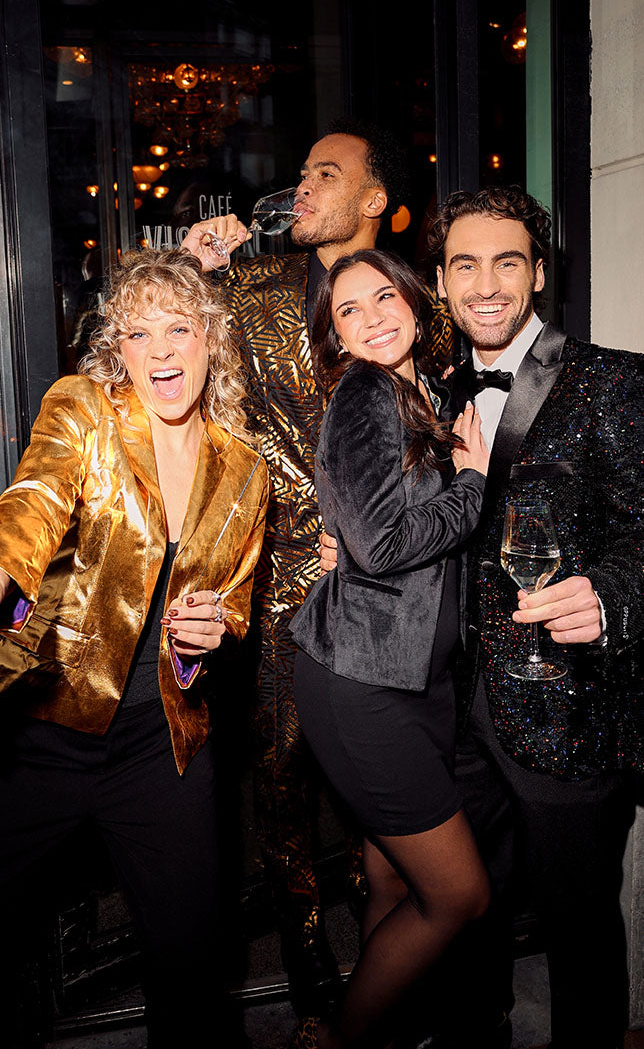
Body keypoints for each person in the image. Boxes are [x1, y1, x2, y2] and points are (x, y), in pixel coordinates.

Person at [318, 187, 644, 1047]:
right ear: (439, 281)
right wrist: (341, 539)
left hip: (568, 712)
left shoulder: (614, 380)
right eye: (465, 265)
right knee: (466, 918)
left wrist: (612, 595)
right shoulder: (426, 390)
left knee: (578, 929)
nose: (486, 285)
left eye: (508, 263)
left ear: (538, 274)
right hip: (450, 712)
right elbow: (393, 518)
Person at [0, 248, 268, 1048]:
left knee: (193, 968)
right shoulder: (84, 410)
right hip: (34, 726)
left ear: (211, 338)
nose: (160, 350)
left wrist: (211, 635)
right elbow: (32, 503)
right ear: (117, 349)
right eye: (137, 333)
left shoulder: (244, 471)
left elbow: (235, 608)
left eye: (178, 328)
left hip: (160, 744)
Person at [182, 119, 454, 1013]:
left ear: (374, 200)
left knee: (390, 813)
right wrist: (189, 269)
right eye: (300, 172)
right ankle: (310, 990)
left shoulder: (417, 305)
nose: (302, 185)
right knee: (282, 793)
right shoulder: (251, 288)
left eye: (325, 174)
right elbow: (139, 348)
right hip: (281, 589)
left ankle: (390, 985)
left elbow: (444, 434)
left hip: (399, 595)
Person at [285, 247, 490, 1049]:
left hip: (411, 679)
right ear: (334, 336)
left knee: (395, 881)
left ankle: (389, 1032)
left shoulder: (423, 391)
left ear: (413, 298)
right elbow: (379, 546)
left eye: (382, 297)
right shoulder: (364, 393)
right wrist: (471, 486)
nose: (371, 319)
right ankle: (347, 1038)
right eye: (348, 310)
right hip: (361, 684)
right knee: (459, 896)